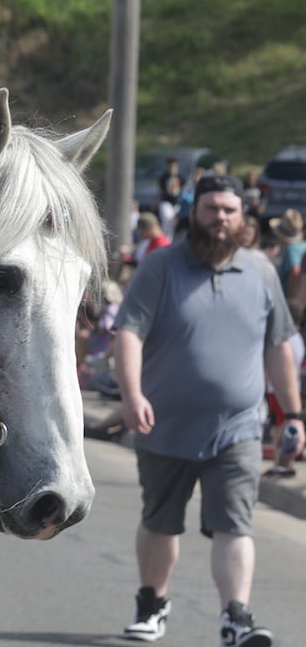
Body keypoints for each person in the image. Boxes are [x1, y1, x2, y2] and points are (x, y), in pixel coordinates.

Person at [112, 173, 303, 645]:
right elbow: (128, 332)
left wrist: (293, 416)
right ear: (194, 213)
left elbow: (279, 345)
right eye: (211, 209)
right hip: (165, 424)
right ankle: (151, 604)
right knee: (160, 521)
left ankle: (235, 617)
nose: (220, 218)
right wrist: (132, 395)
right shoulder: (161, 266)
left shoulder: (259, 270)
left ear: (244, 217)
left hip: (237, 428)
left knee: (234, 524)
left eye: (229, 210)